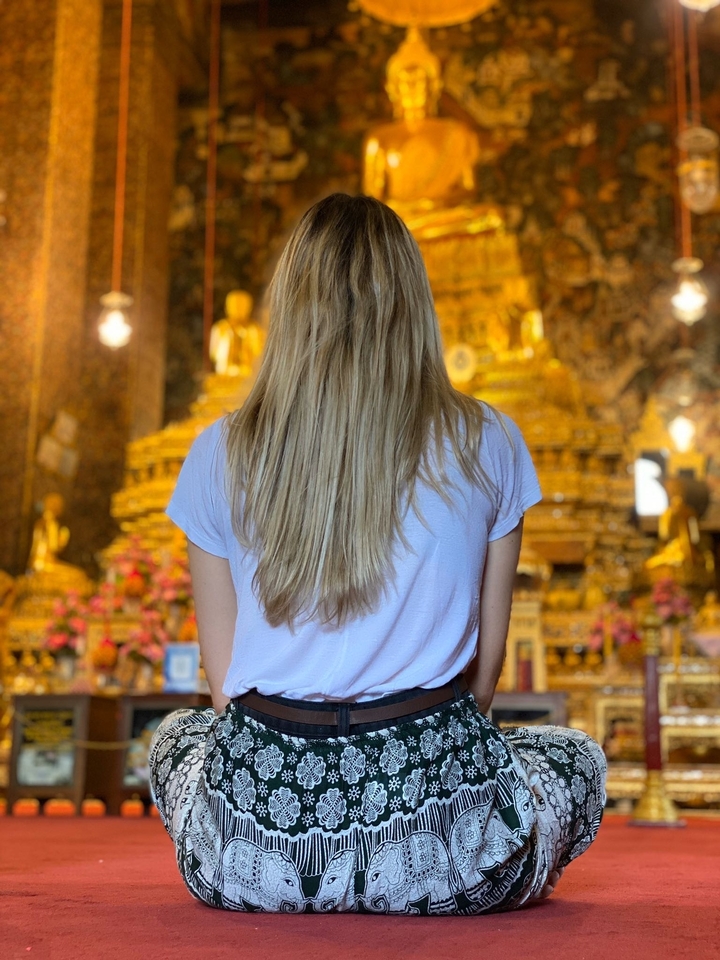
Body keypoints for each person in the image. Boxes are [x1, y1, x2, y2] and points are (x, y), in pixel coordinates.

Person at [149, 193, 606, 915]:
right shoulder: (488, 440)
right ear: (416, 301)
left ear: (289, 306)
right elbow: (479, 688)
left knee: (179, 736)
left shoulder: (218, 451)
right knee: (573, 758)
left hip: (258, 853)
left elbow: (223, 692)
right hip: (441, 852)